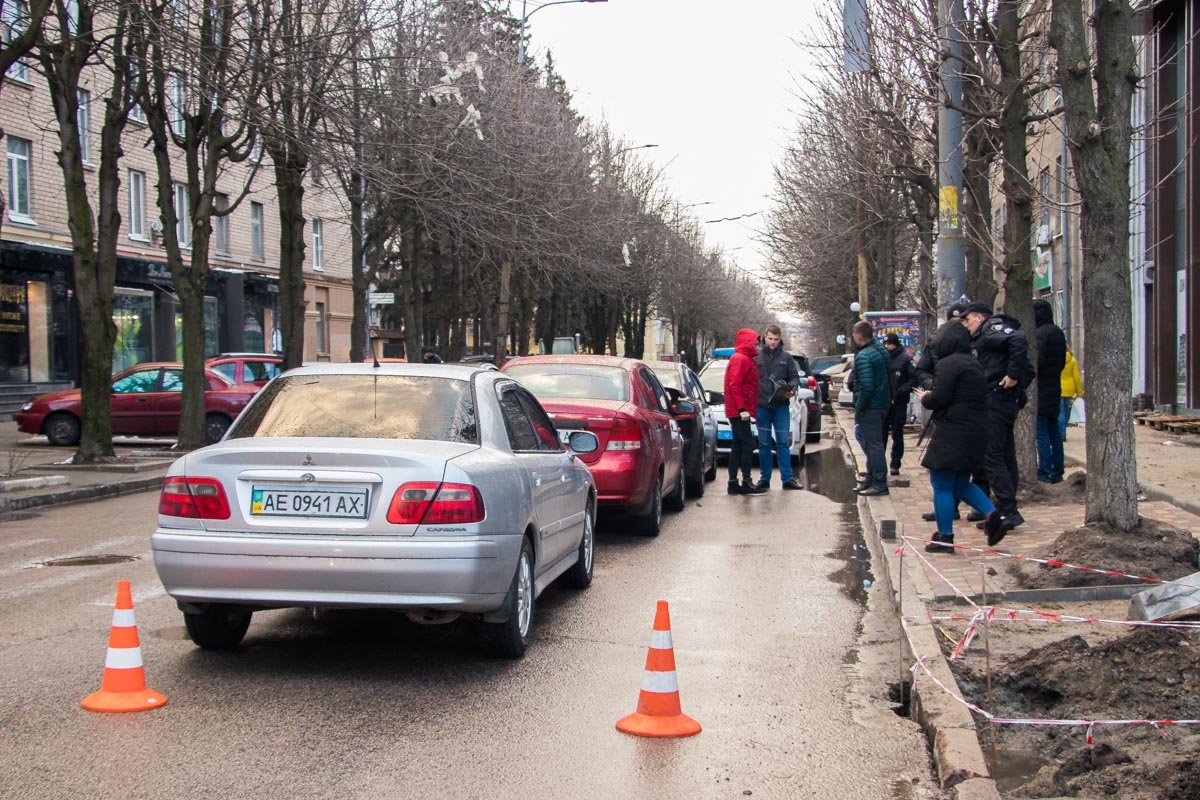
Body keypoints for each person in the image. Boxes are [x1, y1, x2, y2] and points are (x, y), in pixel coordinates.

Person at [916, 321, 1004, 552]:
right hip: (975, 430)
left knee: (942, 485)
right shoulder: (971, 363)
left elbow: (940, 398)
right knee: (961, 483)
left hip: (953, 430)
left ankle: (944, 537)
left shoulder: (949, 364)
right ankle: (994, 516)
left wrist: (925, 398)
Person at [962, 301, 1031, 533]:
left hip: (996, 402)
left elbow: (1018, 341)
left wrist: (1012, 377)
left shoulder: (992, 329)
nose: (966, 324)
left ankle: (1008, 510)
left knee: (991, 456)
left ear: (979, 317)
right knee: (1004, 455)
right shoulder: (985, 337)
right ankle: (1006, 509)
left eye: (968, 319)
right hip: (999, 401)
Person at [755, 325, 803, 490]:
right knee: (764, 443)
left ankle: (787, 479)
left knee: (782, 443)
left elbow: (795, 378)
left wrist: (791, 389)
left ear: (780, 339)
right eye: (770, 339)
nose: (773, 342)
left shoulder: (786, 358)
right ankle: (764, 479)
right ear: (765, 338)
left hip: (781, 406)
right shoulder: (757, 357)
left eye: (776, 339)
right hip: (761, 406)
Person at [725, 328, 767, 495]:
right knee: (747, 444)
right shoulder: (741, 359)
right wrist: (742, 409)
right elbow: (735, 385)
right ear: (748, 343)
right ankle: (746, 481)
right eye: (756, 343)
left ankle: (733, 482)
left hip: (740, 410)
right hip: (739, 410)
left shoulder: (744, 359)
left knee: (738, 445)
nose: (758, 347)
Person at [851, 320, 891, 496]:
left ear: (858, 335)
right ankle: (871, 478)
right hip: (882, 404)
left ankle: (880, 483)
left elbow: (866, 386)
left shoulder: (864, 356)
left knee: (873, 445)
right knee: (873, 443)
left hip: (871, 407)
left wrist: (858, 408)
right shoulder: (882, 351)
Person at [1033, 299, 1067, 484]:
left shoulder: (1039, 334)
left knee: (1042, 432)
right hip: (1055, 386)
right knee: (1054, 431)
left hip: (1041, 389)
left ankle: (1045, 470)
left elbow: (1038, 362)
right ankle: (1057, 469)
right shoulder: (1057, 333)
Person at [881, 333, 914, 476]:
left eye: (889, 344)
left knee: (897, 434)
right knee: (881, 435)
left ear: (895, 344)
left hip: (899, 402)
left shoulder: (905, 359)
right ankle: (879, 465)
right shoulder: (883, 358)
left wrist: (901, 391)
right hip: (884, 402)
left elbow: (913, 380)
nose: (887, 347)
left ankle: (895, 464)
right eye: (885, 344)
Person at [1060, 345, 1084, 446]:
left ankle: (1062, 434)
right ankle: (1064, 428)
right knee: (1067, 411)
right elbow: (1077, 377)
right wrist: (1079, 392)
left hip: (1058, 388)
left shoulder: (1056, 359)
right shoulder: (1072, 360)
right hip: (1070, 389)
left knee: (1060, 412)